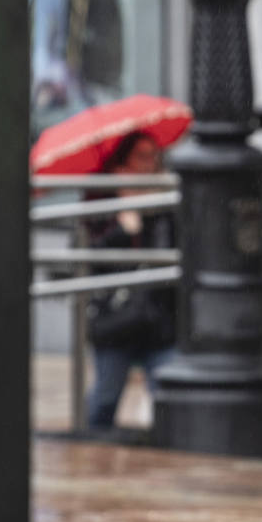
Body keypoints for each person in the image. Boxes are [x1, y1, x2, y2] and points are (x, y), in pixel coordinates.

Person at [83, 131, 177, 430]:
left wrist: (151, 214)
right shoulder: (100, 201)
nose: (149, 164)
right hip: (117, 321)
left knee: (168, 398)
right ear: (123, 162)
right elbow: (93, 261)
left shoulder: (166, 201)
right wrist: (123, 230)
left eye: (154, 156)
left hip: (158, 320)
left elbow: (176, 248)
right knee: (105, 398)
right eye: (141, 156)